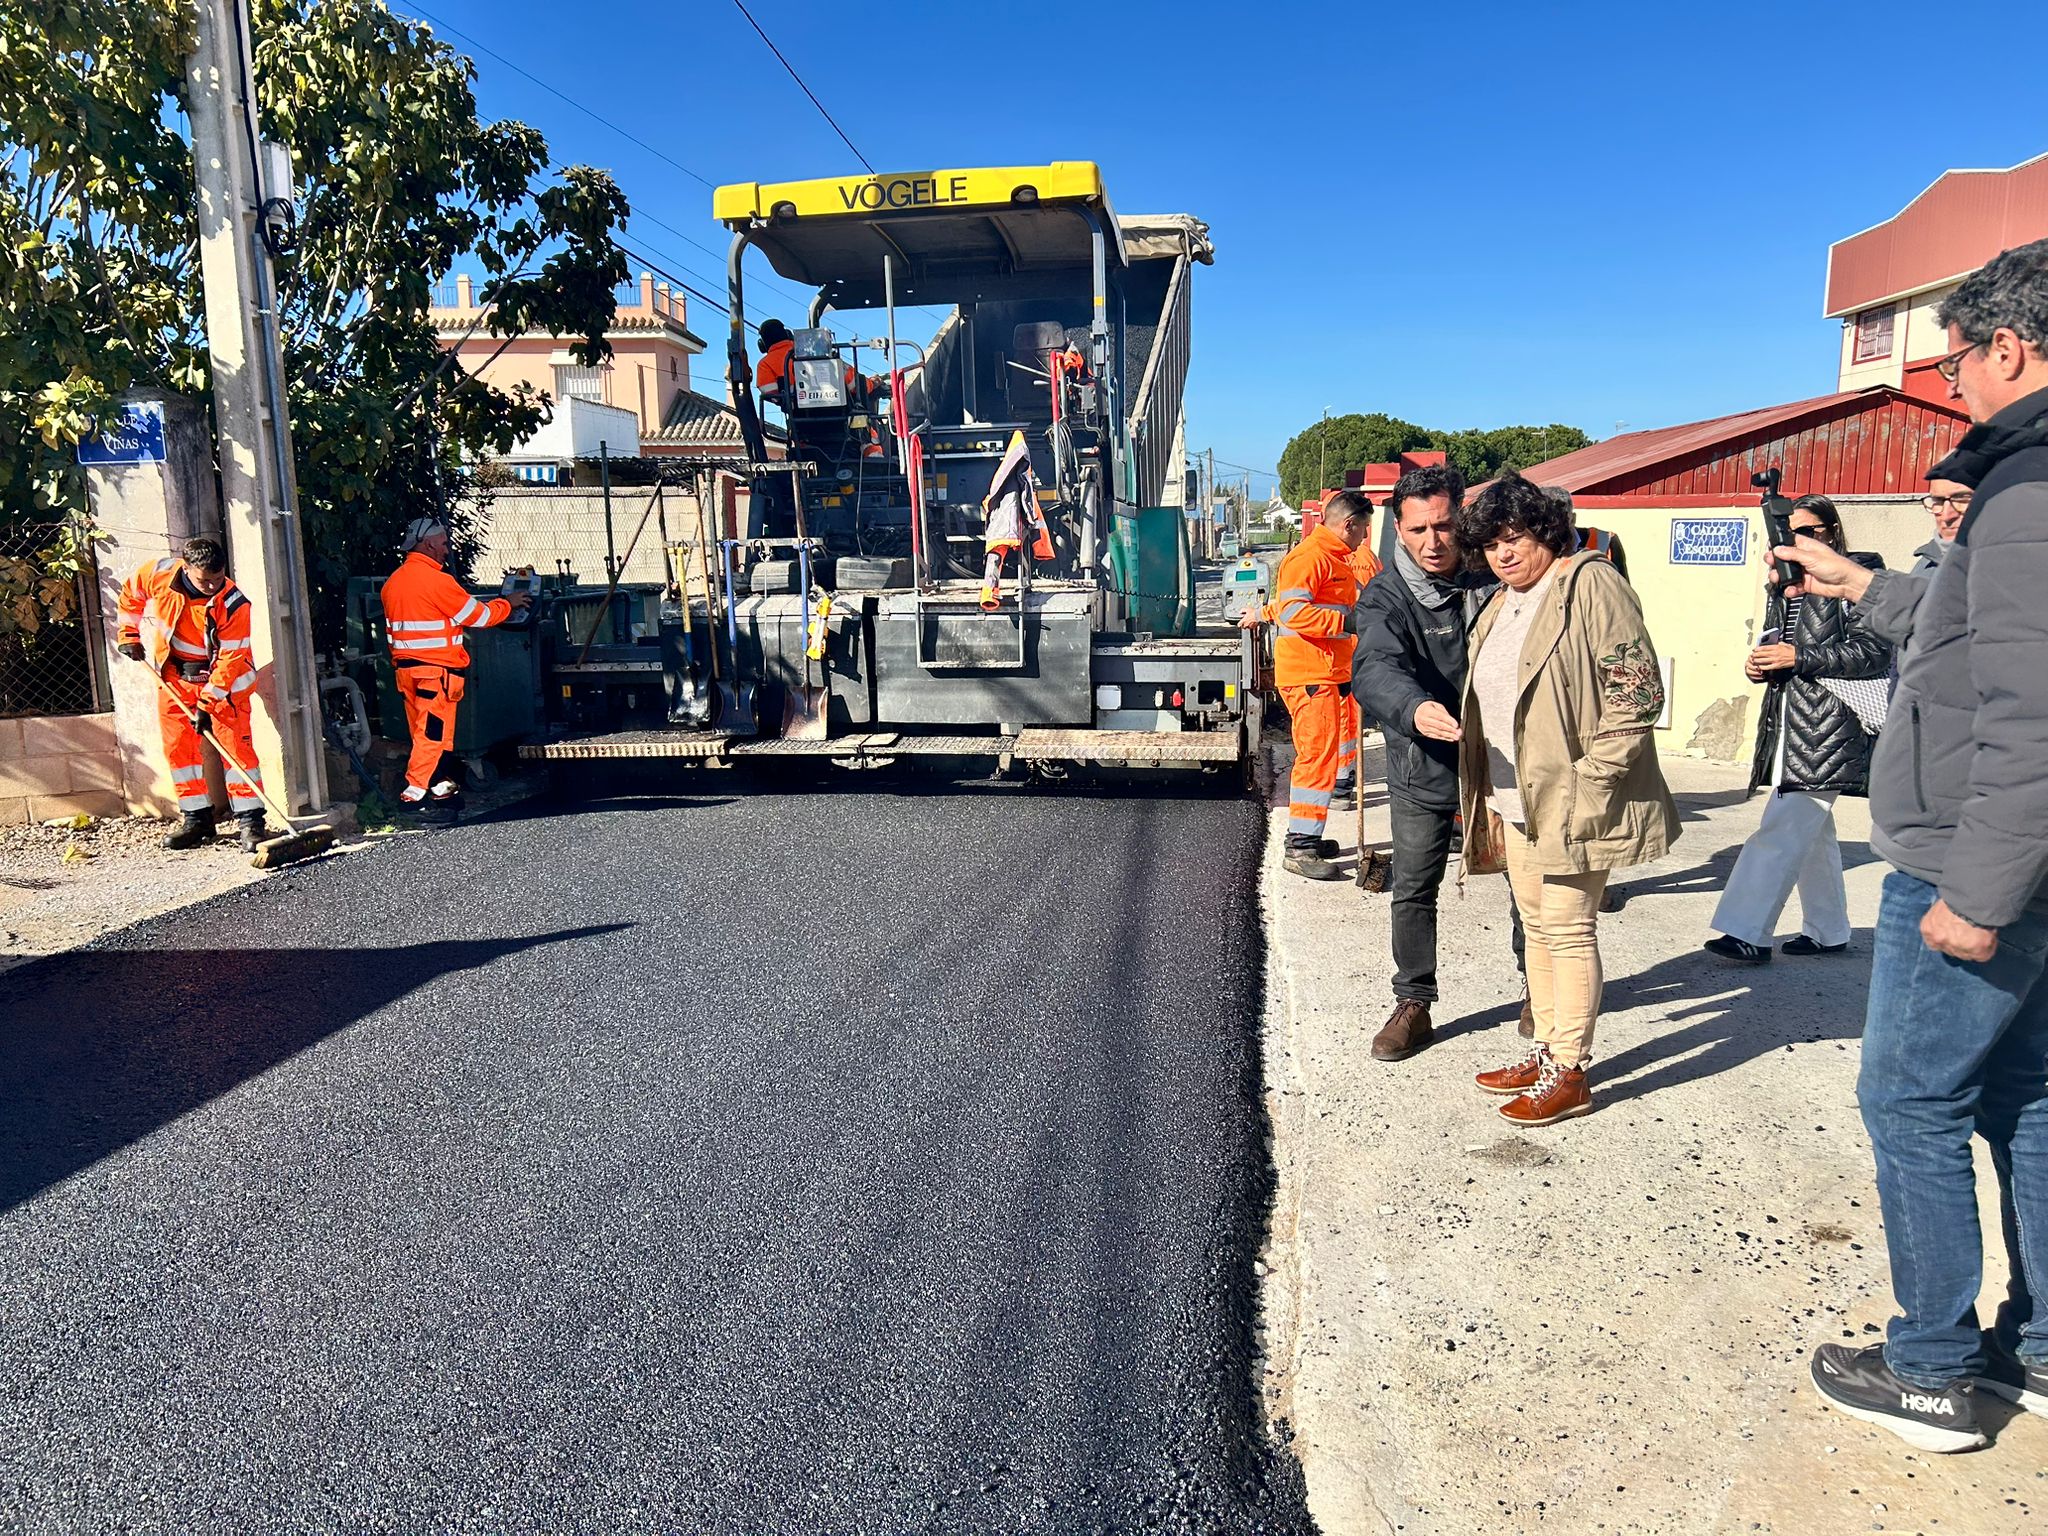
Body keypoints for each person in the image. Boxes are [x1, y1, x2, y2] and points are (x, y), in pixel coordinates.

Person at [1798, 238, 2048, 1452]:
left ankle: (1931, 1372)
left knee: (1908, 1100)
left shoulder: (2027, 487)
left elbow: (2030, 710)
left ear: (2007, 346)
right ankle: (2036, 1350)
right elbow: (1961, 631)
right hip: (2009, 855)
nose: (1950, 385)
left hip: (1971, 859)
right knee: (2026, 1096)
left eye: (1953, 364)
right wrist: (1857, 583)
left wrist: (1978, 894)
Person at [1455, 472, 1680, 1125]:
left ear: (1547, 532)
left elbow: (1637, 693)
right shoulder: (1504, 600)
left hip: (1571, 794)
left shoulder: (1590, 584)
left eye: (1516, 537)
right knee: (1537, 927)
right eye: (1492, 542)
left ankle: (1570, 1072)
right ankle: (1548, 1049)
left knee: (1568, 928)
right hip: (1516, 793)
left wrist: (1594, 779)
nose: (1503, 552)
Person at [1354, 463, 1526, 1061]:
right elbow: (1374, 666)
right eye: (1418, 529)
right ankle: (1413, 1002)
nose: (1433, 542)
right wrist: (1414, 708)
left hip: (1506, 761)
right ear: (1399, 531)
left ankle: (1539, 988)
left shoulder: (1498, 573)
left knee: (1528, 880)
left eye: (1444, 526)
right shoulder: (1386, 596)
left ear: (1462, 519)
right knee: (1413, 887)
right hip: (1423, 760)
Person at [1704, 496, 1891, 963]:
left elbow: (1873, 653)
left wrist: (1798, 657)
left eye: (1808, 532)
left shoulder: (1862, 575)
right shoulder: (1785, 582)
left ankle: (1746, 931)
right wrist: (1760, 663)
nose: (1796, 541)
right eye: (1788, 533)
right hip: (1791, 717)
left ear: (1832, 532)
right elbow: (1781, 645)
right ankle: (1829, 931)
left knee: (1782, 827)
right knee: (1812, 831)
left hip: (1834, 720)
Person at [1242, 488, 1368, 880]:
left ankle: (1308, 836)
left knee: (1323, 756)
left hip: (1327, 671)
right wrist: (1347, 622)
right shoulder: (1311, 557)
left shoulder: (1332, 558)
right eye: (1363, 529)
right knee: (1316, 758)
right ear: (1348, 525)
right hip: (1310, 674)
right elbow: (1296, 613)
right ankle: (1300, 847)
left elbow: (1290, 606)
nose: (1365, 536)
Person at [115, 537, 268, 851]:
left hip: (226, 687)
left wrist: (207, 704)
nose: (212, 586)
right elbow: (131, 593)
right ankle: (197, 819)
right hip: (175, 678)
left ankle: (251, 822)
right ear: (185, 568)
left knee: (237, 751)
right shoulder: (159, 573)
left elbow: (230, 660)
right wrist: (128, 634)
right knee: (179, 751)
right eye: (204, 581)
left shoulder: (234, 603)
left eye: (218, 578)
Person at [379, 519, 529, 814]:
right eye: (444, 543)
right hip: (435, 674)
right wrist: (508, 603)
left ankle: (442, 792)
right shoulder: (438, 582)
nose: (447, 550)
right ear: (429, 544)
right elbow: (480, 616)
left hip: (407, 672)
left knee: (424, 736)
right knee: (432, 736)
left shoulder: (393, 583)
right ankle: (413, 796)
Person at [1334, 506, 1385, 811]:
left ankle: (1340, 784)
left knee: (1342, 721)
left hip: (1339, 654)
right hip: (1360, 650)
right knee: (1350, 721)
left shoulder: (1331, 560)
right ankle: (1344, 781)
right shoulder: (1368, 559)